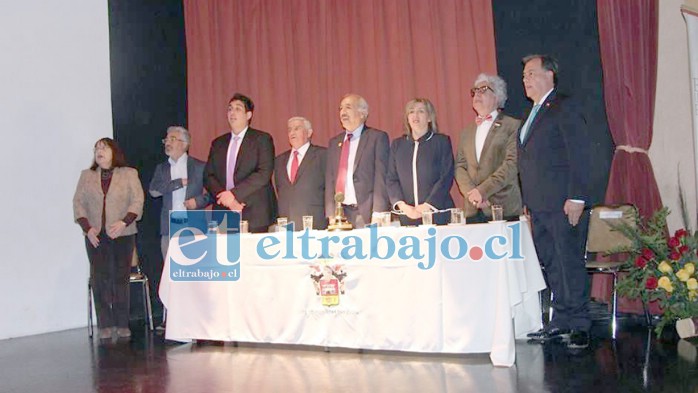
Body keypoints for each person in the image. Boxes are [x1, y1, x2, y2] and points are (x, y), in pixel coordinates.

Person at [517, 54, 593, 350]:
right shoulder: (532, 113)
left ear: (550, 74)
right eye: (524, 75)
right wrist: (527, 202)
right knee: (552, 263)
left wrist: (577, 196)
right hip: (539, 205)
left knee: (569, 262)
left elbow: (580, 153)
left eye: (532, 73)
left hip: (563, 203)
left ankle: (580, 324)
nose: (526, 79)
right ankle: (560, 321)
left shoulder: (563, 106)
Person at [73, 138, 144, 340]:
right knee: (99, 279)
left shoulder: (129, 174)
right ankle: (105, 323)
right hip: (95, 236)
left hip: (123, 233)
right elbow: (78, 203)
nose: (99, 151)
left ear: (114, 152)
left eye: (103, 147)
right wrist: (88, 229)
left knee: (120, 279)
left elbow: (138, 201)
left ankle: (122, 323)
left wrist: (123, 222)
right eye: (96, 148)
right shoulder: (86, 176)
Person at [204, 93, 277, 233]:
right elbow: (208, 176)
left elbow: (263, 173)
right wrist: (228, 200)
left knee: (253, 254)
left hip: (254, 211)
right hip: (224, 211)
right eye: (230, 109)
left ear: (248, 115)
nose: (232, 112)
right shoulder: (218, 143)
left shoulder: (262, 139)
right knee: (226, 254)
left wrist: (234, 194)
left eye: (237, 109)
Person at [455, 74, 522, 223]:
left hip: (503, 208)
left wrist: (483, 191)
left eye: (483, 89)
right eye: (475, 91)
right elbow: (460, 167)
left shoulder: (512, 126)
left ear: (497, 97)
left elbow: (511, 164)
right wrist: (472, 195)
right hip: (472, 210)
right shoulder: (466, 132)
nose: (477, 93)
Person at [325, 94, 390, 227]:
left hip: (366, 213)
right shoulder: (334, 143)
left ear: (362, 113)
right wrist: (331, 212)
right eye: (341, 108)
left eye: (348, 107)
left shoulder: (377, 138)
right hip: (341, 213)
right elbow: (330, 178)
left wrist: (379, 212)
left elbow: (381, 177)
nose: (343, 112)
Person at [387, 98, 454, 226]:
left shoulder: (441, 141)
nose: (415, 115)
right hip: (407, 217)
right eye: (411, 112)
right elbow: (391, 179)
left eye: (421, 111)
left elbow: (446, 177)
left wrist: (428, 205)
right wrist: (403, 206)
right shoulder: (397, 145)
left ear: (429, 118)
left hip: (437, 215)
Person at [149, 126, 211, 260]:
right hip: (169, 226)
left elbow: (213, 193)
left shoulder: (200, 166)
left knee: (194, 271)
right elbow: (153, 191)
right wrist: (177, 183)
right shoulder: (161, 168)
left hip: (193, 225)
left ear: (184, 144)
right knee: (170, 272)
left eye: (172, 139)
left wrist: (198, 202)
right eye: (166, 140)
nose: (167, 143)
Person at [274, 117, 327, 230]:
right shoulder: (279, 161)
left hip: (315, 224)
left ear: (309, 133)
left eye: (297, 128)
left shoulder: (323, 155)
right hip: (286, 226)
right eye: (289, 130)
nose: (292, 132)